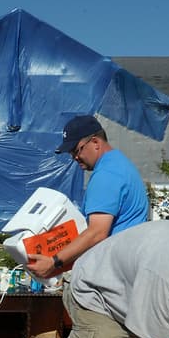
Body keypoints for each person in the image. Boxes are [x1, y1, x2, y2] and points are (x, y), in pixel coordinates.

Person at [27, 114, 149, 279]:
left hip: (116, 273)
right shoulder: (120, 163)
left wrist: (53, 262)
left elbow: (97, 232)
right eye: (71, 153)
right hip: (130, 266)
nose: (74, 157)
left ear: (95, 142)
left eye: (76, 150)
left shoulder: (106, 175)